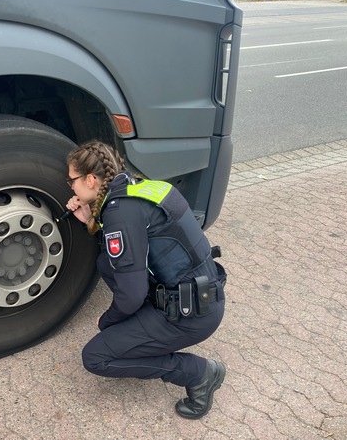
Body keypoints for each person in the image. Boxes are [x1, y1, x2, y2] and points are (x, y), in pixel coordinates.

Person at [64, 141, 227, 420]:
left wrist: (108, 322)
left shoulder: (120, 213)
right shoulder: (140, 188)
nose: (70, 187)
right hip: (201, 296)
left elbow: (131, 293)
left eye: (71, 180)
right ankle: (141, 330)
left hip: (190, 316)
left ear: (91, 179)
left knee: (96, 356)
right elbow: (131, 247)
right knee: (106, 261)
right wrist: (91, 218)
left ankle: (199, 373)